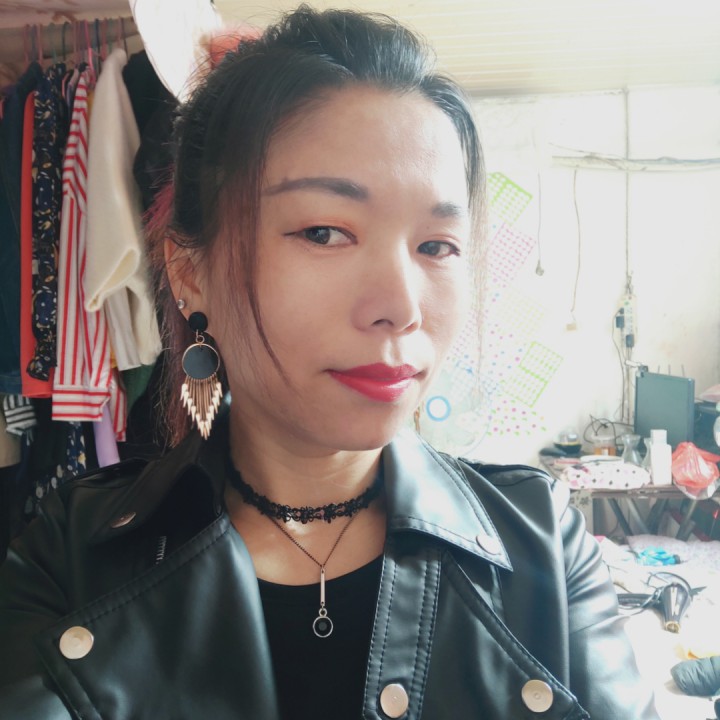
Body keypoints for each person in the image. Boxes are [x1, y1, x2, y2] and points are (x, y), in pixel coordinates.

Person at [0, 6, 659, 719]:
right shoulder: (71, 555)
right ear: (190, 272)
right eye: (324, 232)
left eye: (436, 246)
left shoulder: (542, 541)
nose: (400, 306)